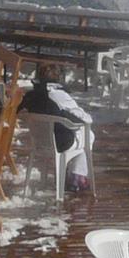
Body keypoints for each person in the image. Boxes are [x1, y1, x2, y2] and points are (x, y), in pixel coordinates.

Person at [23, 64, 95, 192]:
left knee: (81, 134)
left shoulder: (32, 96)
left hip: (39, 140)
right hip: (60, 142)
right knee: (88, 134)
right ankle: (77, 177)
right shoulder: (59, 95)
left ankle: (73, 174)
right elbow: (85, 119)